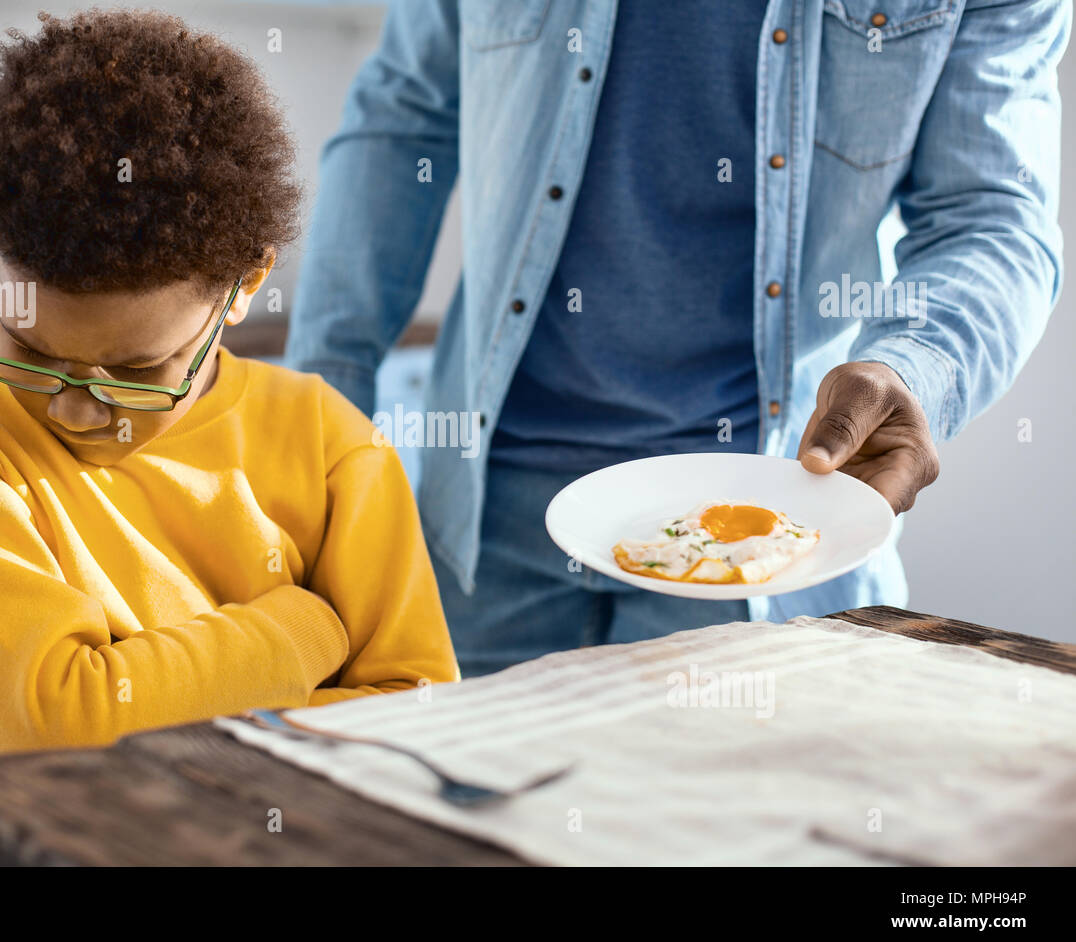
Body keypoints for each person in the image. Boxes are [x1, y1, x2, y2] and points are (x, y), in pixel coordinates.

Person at [285, 0, 1067, 676]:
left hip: (774, 532)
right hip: (479, 535)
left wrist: (917, 366)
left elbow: (992, 213)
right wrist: (322, 403)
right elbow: (403, 120)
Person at [0, 10, 458, 764]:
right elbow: (50, 730)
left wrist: (120, 704)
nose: (74, 407)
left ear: (245, 286)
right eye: (28, 348)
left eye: (136, 372)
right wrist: (308, 630)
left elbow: (418, 720)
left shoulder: (332, 443)